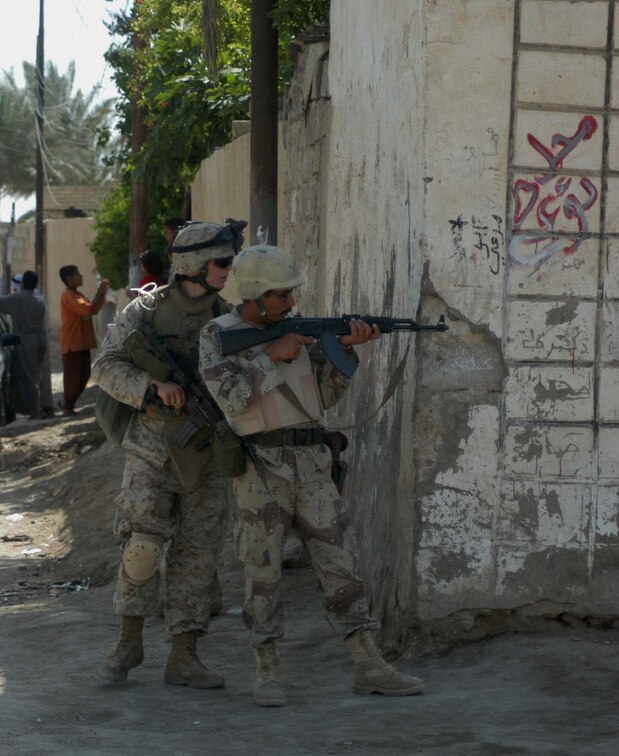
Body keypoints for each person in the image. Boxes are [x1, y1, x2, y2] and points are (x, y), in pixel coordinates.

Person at [199, 245, 424, 707]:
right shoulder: (217, 336)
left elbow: (323, 399)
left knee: (341, 564)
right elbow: (234, 399)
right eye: (283, 295)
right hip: (261, 468)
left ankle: (369, 663)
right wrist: (271, 357)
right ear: (257, 296)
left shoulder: (299, 334)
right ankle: (268, 669)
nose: (292, 304)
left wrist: (343, 355)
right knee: (262, 572)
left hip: (313, 464)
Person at [92, 220, 245, 689]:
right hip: (152, 450)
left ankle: (184, 655)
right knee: (142, 548)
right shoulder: (145, 311)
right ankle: (129, 640)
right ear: (193, 264)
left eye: (228, 261)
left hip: (206, 453)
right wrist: (151, 386)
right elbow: (105, 367)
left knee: (197, 556)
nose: (226, 270)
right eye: (221, 262)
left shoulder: (233, 318)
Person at [59, 265, 110, 416]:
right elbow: (89, 309)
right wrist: (100, 292)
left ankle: (69, 405)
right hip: (72, 343)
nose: (81, 277)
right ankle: (68, 406)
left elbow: (93, 310)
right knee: (73, 377)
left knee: (84, 375)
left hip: (81, 342)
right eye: (77, 274)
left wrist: (101, 294)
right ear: (69, 278)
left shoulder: (78, 294)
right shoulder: (68, 295)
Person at [0, 271, 47, 419]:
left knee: (29, 377)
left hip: (26, 341)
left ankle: (36, 412)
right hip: (40, 339)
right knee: (35, 375)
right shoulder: (39, 300)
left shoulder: (18, 299)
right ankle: (38, 408)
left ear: (22, 284)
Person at [9, 273, 54, 416]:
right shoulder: (36, 297)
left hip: (31, 341)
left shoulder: (25, 299)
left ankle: (38, 410)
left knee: (33, 377)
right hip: (39, 340)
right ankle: (43, 407)